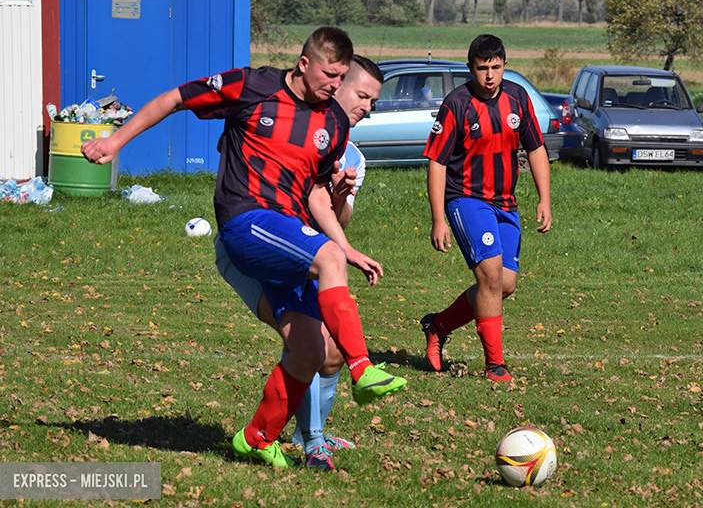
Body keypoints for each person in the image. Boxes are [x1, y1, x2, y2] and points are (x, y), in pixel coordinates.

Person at [81, 27, 406, 468]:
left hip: (288, 236)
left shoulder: (333, 122)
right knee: (328, 262)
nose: (335, 85)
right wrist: (115, 140)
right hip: (245, 220)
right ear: (304, 64)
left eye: (341, 76)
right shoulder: (253, 86)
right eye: (330, 75)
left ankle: (257, 437)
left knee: (314, 350)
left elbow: (314, 192)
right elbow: (175, 98)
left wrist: (345, 243)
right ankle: (363, 367)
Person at [213, 54, 381, 471]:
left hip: (306, 255)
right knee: (309, 344)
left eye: (373, 102)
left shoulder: (351, 155)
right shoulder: (282, 120)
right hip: (256, 252)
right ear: (336, 83)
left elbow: (335, 221)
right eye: (361, 95)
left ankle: (300, 436)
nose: (366, 107)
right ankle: (310, 441)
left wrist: (337, 195)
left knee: (332, 352)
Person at [421, 34, 552, 382]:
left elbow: (536, 148)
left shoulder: (518, 97)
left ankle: (438, 325)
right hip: (466, 199)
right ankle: (495, 366)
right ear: (471, 68)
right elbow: (437, 162)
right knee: (490, 276)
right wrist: (438, 218)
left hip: (505, 203)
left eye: (496, 67)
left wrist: (544, 199)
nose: (490, 75)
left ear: (505, 65)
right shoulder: (456, 104)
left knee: (505, 283)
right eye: (482, 68)